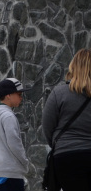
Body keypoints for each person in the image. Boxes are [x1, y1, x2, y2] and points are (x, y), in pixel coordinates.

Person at [42, 48, 91, 191]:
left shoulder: (59, 92)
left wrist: (59, 144)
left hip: (66, 156)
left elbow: (47, 126)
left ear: (73, 67)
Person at [0, 78, 30, 191]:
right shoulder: (8, 116)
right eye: (19, 94)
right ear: (8, 95)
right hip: (11, 172)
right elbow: (14, 143)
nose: (21, 97)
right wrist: (25, 162)